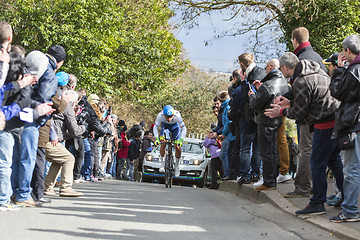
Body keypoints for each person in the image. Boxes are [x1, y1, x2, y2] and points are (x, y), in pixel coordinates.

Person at [265, 52, 344, 215]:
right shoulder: (315, 71)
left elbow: (299, 112)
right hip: (335, 118)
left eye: (281, 69)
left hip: (323, 123)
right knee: (333, 160)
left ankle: (317, 203)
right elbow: (310, 99)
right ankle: (345, 195)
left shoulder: (301, 80)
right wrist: (290, 102)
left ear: (286, 67)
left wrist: (281, 111)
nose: (282, 72)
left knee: (316, 163)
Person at [284, 27, 327, 198]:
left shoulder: (300, 60)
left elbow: (301, 91)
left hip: (308, 113)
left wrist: (289, 104)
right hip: (323, 110)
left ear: (294, 40)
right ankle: (315, 187)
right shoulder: (316, 57)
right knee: (318, 151)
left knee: (306, 150)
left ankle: (303, 187)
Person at [329, 35, 360, 222]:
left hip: (354, 125)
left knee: (352, 170)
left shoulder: (354, 70)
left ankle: (350, 211)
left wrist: (339, 70)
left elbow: (337, 91)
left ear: (348, 51)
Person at [248, 58, 288, 190]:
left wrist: (252, 95)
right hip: (277, 120)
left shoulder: (268, 85)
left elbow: (256, 104)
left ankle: (268, 181)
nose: (265, 70)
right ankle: (273, 178)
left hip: (265, 120)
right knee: (273, 149)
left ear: (271, 67)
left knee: (266, 152)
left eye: (266, 67)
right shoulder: (283, 82)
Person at [153, 105, 187, 177]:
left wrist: (181, 140)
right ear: (164, 115)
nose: (169, 119)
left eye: (171, 116)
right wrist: (156, 138)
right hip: (165, 127)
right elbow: (155, 127)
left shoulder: (177, 115)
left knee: (177, 147)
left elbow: (184, 129)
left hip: (175, 127)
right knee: (163, 142)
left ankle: (177, 165)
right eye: (167, 117)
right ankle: (162, 164)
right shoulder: (160, 115)